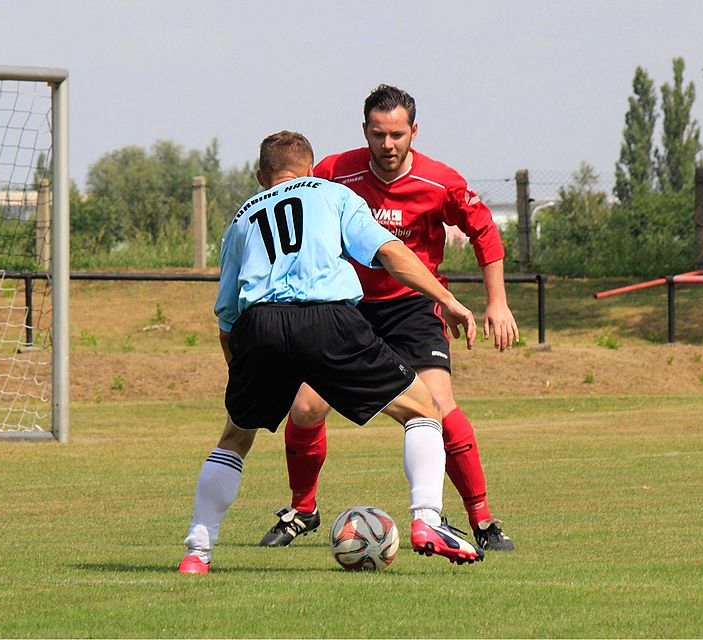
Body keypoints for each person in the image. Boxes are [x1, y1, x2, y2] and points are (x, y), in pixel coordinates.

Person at [178, 130, 486, 575]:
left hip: (258, 326)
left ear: (261, 176)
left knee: (234, 439)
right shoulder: (331, 193)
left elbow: (226, 316)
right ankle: (427, 522)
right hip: (326, 318)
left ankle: (196, 554)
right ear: (309, 167)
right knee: (424, 409)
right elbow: (390, 253)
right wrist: (449, 299)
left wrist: (243, 370)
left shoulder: (241, 220)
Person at [259, 85, 519, 552]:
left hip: (412, 308)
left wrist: (496, 301)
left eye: (397, 134)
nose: (388, 145)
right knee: (305, 407)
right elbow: (286, 202)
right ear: (365, 131)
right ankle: (303, 509)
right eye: (378, 134)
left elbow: (483, 230)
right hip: (347, 307)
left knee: (438, 406)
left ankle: (481, 519)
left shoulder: (441, 182)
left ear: (413, 131)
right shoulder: (336, 172)